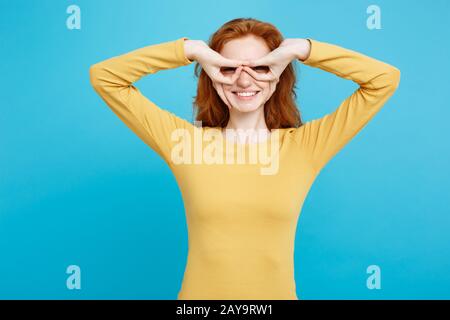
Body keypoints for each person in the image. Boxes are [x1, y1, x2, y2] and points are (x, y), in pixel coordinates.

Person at [89, 17, 400, 300]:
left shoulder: (304, 147)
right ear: (212, 74)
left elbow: (383, 79)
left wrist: (301, 49)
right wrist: (191, 50)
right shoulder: (186, 143)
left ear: (278, 75)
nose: (243, 80)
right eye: (229, 68)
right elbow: (105, 77)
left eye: (259, 67)